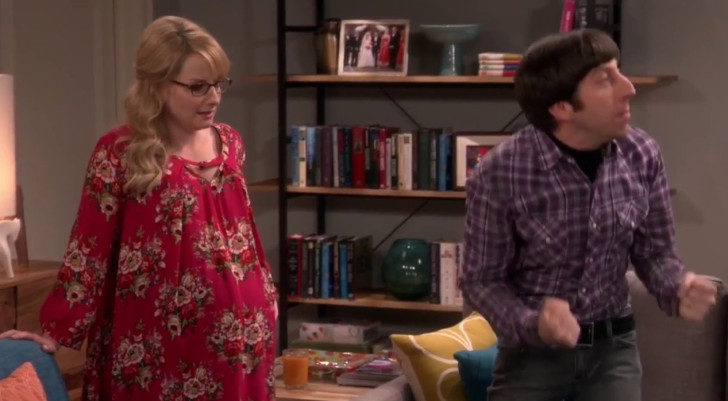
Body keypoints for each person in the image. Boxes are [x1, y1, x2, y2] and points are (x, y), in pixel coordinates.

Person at [0, 15, 278, 401]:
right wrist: (55, 332)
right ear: (158, 85)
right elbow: (89, 251)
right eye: (198, 87)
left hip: (242, 343)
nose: (214, 97)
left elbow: (244, 234)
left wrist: (267, 298)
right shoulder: (120, 152)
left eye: (219, 84)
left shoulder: (230, 143)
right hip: (157, 347)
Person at [460, 29, 717, 401]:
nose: (629, 88)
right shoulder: (501, 172)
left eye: (619, 71)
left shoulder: (641, 153)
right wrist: (534, 323)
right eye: (605, 80)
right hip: (532, 360)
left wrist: (679, 285)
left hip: (614, 352)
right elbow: (481, 279)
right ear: (562, 108)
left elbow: (655, 254)